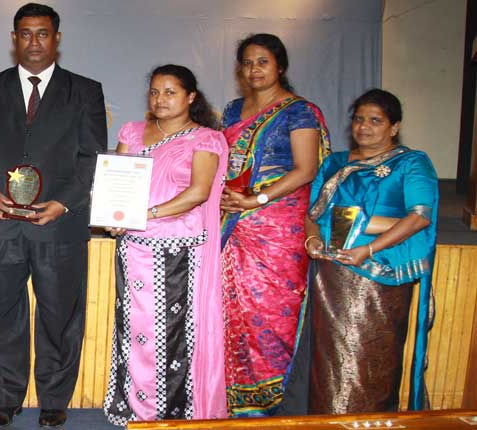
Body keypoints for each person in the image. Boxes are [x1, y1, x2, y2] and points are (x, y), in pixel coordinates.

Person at [0, 3, 106, 427]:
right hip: (0, 225)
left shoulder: (85, 91)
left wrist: (64, 202)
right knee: (1, 315)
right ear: (14, 39)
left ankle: (53, 400)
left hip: (60, 225)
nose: (34, 42)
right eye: (25, 33)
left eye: (42, 33)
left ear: (57, 39)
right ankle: (6, 398)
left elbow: (91, 155)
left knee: (60, 315)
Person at [103, 65, 228, 424]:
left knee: (170, 335)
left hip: (177, 252)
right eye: (155, 92)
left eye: (170, 92)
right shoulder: (132, 132)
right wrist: (114, 214)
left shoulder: (205, 139)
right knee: (133, 330)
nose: (160, 99)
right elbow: (118, 182)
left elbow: (198, 192)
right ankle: (133, 408)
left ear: (191, 97)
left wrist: (145, 214)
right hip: (133, 249)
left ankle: (170, 414)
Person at [300, 89, 437, 414]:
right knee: (327, 362)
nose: (364, 127)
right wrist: (311, 240)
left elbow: (419, 216)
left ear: (394, 127)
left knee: (369, 358)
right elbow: (312, 213)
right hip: (330, 274)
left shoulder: (411, 163)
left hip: (378, 275)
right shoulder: (334, 162)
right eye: (359, 119)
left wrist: (369, 247)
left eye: (375, 120)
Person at [218, 33, 331, 417]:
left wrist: (257, 200)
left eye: (263, 62)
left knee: (271, 309)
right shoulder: (233, 110)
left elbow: (307, 169)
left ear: (280, 66)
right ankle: (233, 398)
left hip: (278, 229)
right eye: (248, 63)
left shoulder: (300, 111)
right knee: (231, 307)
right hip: (233, 222)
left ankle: (277, 400)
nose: (254, 70)